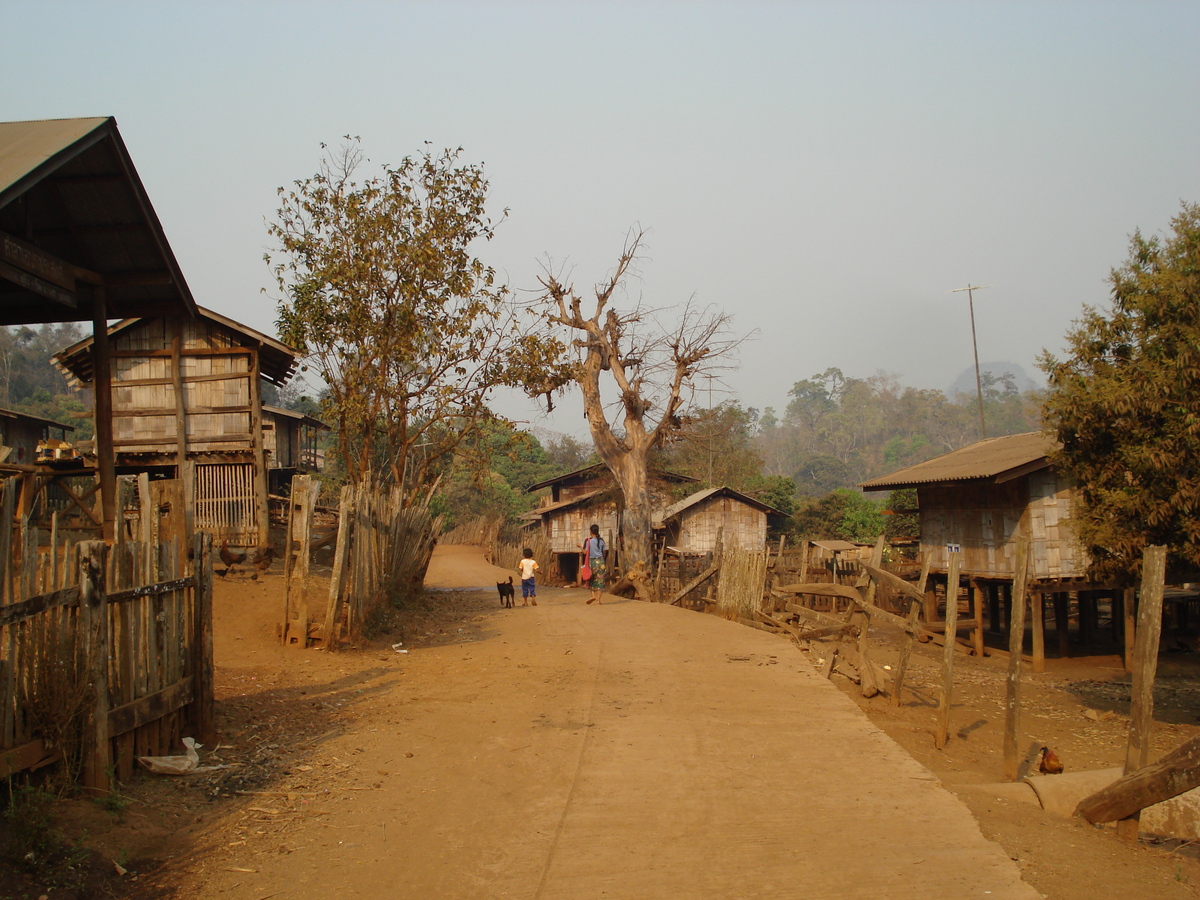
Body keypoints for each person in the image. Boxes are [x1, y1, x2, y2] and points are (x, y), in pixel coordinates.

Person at [581, 523, 607, 604]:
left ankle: (592, 595)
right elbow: (604, 552)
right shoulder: (601, 541)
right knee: (600, 581)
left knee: (590, 579)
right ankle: (598, 600)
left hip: (592, 562)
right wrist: (602, 560)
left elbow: (585, 552)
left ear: (591, 532)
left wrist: (580, 547)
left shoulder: (588, 541)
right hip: (601, 562)